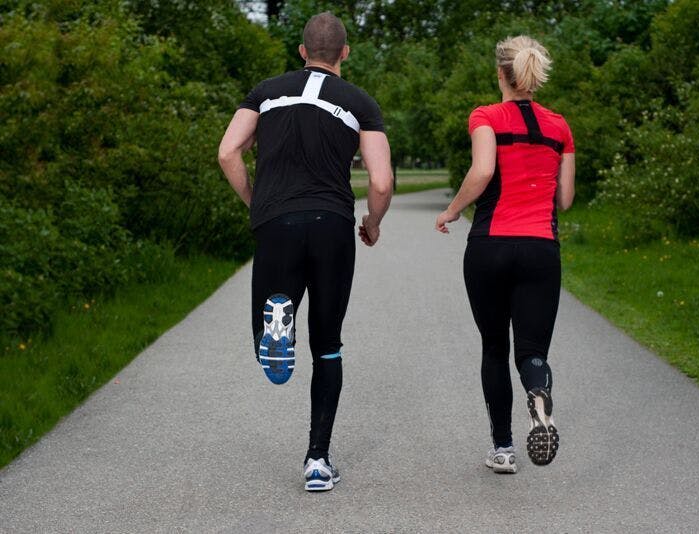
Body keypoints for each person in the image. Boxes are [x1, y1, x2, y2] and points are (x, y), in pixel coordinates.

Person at [218, 11, 393, 491]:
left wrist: (257, 202)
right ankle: (317, 460)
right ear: (344, 53)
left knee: (270, 323)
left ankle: (278, 321)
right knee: (329, 344)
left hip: (276, 221)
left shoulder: (265, 92)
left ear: (302, 51)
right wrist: (372, 223)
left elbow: (228, 152)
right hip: (332, 225)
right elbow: (381, 182)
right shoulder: (360, 102)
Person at [435, 35, 575, 473]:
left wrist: (452, 210)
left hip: (490, 247)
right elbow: (565, 198)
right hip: (541, 250)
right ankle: (538, 396)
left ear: (500, 73)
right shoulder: (559, 126)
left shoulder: (486, 116)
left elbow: (482, 170)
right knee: (531, 351)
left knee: (494, 347)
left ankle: (503, 449)